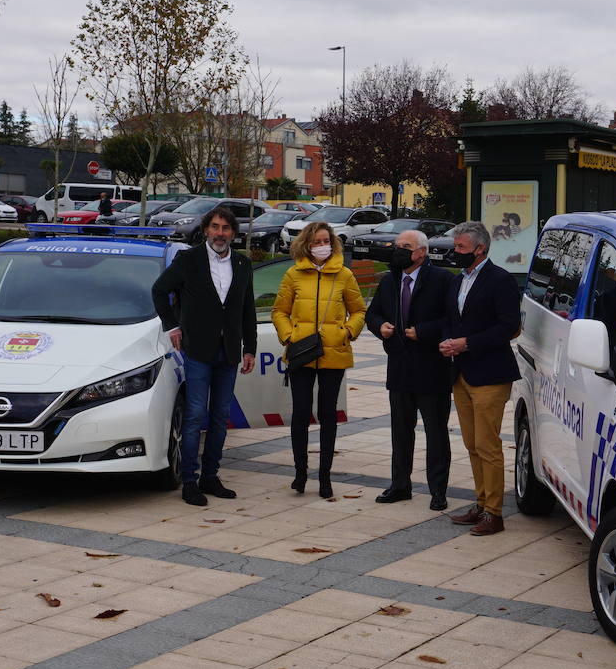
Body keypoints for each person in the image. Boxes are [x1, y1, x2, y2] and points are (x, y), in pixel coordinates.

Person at [151, 207, 256, 506]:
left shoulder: (242, 263)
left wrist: (250, 347)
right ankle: (189, 481)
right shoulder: (189, 260)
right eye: (215, 227)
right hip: (197, 349)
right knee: (196, 415)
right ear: (206, 230)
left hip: (229, 352)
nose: (220, 233)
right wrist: (172, 325)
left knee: (221, 417)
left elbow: (246, 309)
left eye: (225, 228)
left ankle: (211, 476)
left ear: (233, 233)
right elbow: (159, 291)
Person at [273, 221, 366, 498]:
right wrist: (290, 336)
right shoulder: (293, 275)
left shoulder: (345, 275)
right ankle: (300, 473)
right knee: (300, 413)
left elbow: (359, 311)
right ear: (306, 244)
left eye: (325, 240)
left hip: (333, 353)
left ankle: (325, 477)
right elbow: (279, 311)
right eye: (316, 242)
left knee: (328, 415)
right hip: (301, 352)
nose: (321, 246)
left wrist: (347, 332)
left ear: (333, 243)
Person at [439, 221, 521, 536]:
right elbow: (451, 318)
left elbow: (507, 326)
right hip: (461, 372)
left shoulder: (500, 281)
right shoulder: (458, 280)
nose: (454, 252)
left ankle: (495, 514)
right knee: (473, 444)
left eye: (460, 247)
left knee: (488, 446)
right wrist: (448, 341)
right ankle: (481, 502)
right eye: (455, 246)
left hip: (490, 374)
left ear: (480, 249)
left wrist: (467, 343)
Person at [365, 229, 451, 511]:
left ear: (421, 252)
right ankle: (400, 485)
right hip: (399, 366)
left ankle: (438, 490)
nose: (398, 250)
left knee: (435, 432)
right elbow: (372, 313)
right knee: (401, 431)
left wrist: (424, 332)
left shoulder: (442, 280)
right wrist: (380, 327)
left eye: (405, 246)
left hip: (431, 368)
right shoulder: (390, 280)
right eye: (397, 245)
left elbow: (452, 319)